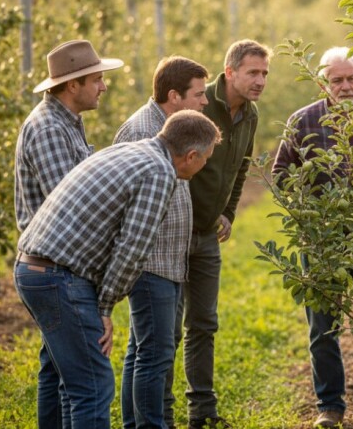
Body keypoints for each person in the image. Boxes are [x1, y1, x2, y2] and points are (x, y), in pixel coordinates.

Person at [14, 110, 222, 429]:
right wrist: (105, 307)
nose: (205, 165)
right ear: (191, 155)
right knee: (93, 387)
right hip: (59, 276)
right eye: (205, 158)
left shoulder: (131, 150)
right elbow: (132, 248)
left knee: (76, 388)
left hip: (35, 267)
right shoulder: (159, 173)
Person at [272, 47, 353, 429]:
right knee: (322, 327)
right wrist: (309, 210)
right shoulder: (303, 121)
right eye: (336, 80)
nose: (344, 87)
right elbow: (280, 177)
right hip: (322, 241)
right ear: (324, 82)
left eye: (350, 79)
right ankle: (330, 405)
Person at [14, 39, 123, 428]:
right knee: (91, 384)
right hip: (58, 268)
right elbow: (75, 207)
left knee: (57, 370)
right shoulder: (47, 129)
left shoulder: (68, 124)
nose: (103, 87)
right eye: (96, 80)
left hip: (56, 267)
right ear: (72, 85)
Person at [177, 39, 270, 429]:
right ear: (229, 72)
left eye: (265, 73)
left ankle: (202, 412)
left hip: (207, 236)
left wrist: (229, 212)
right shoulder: (198, 103)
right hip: (175, 231)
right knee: (166, 328)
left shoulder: (250, 115)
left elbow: (240, 168)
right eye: (253, 72)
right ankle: (158, 413)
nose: (261, 80)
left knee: (204, 323)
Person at [114, 56, 209, 429]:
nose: (204, 101)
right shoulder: (141, 131)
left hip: (169, 261)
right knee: (152, 353)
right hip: (150, 262)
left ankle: (136, 423)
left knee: (144, 349)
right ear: (174, 95)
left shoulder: (170, 127)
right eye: (199, 95)